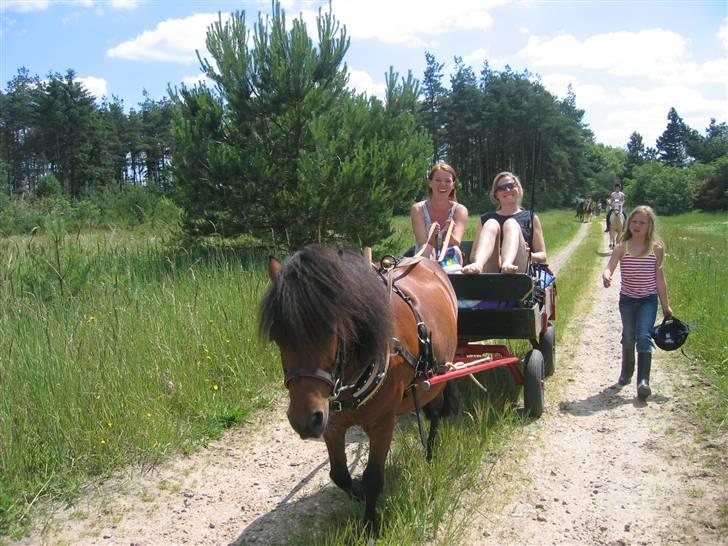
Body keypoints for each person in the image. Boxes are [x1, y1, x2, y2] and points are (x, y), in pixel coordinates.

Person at [602, 205, 674, 400]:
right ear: (628, 223)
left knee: (644, 336)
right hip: (627, 300)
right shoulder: (622, 245)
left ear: (650, 225)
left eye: (642, 222)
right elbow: (609, 267)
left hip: (648, 301)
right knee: (628, 336)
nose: (637, 225)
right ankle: (626, 373)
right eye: (634, 221)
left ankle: (643, 381)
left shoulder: (656, 248)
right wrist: (606, 276)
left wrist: (666, 306)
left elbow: (660, 278)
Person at [462, 171, 547, 275]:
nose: (507, 190)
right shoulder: (485, 219)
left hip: (519, 266)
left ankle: (507, 263)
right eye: (502, 188)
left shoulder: (530, 217)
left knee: (511, 223)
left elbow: (543, 255)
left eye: (511, 186)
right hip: (492, 267)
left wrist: (530, 255)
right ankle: (478, 265)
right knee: (491, 223)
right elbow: (473, 255)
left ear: (518, 189)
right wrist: (497, 253)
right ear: (496, 194)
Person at [410, 163, 468, 265]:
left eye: (447, 181)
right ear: (430, 183)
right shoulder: (418, 209)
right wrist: (432, 237)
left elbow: (456, 242)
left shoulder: (460, 210)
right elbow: (423, 243)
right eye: (438, 180)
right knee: (428, 249)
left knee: (454, 249)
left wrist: (448, 233)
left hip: (449, 258)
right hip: (426, 257)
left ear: (453, 185)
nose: (442, 184)